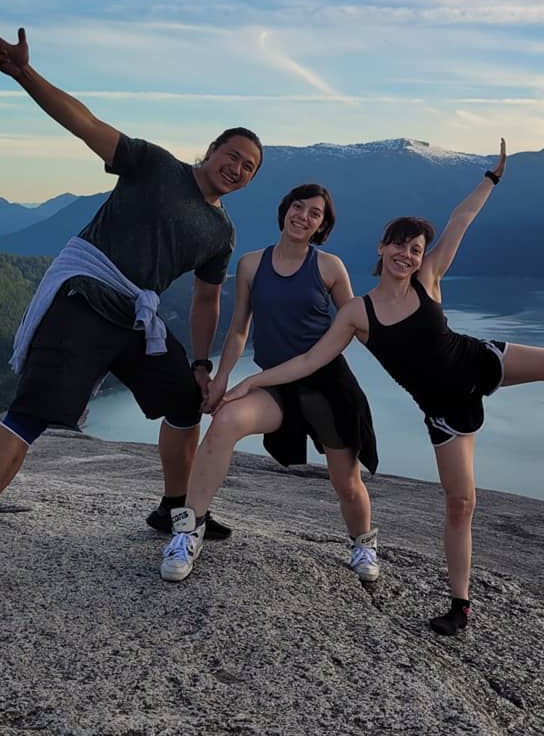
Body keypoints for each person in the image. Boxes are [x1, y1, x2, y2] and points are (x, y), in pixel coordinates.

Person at [165, 140, 544, 634]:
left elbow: (460, 221)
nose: (409, 254)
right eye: (400, 245)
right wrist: (247, 380)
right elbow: (310, 354)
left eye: (416, 248)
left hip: (480, 362)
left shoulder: (428, 278)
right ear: (382, 249)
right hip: (443, 410)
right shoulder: (356, 312)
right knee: (461, 503)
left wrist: (489, 179)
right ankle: (459, 606)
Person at [0, 22, 261, 599]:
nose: (237, 168)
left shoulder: (220, 230)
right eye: (232, 155)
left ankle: (174, 508)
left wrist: (201, 363)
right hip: (86, 297)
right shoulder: (154, 165)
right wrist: (25, 73)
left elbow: (208, 297)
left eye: (249, 167)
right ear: (211, 150)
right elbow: (85, 125)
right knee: (28, 416)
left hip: (137, 318)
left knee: (184, 400)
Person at [160, 183, 381, 585]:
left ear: (321, 226)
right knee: (224, 421)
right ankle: (188, 531)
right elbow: (239, 328)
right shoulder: (250, 264)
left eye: (315, 214)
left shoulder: (330, 267)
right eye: (299, 207)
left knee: (346, 480)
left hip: (329, 387)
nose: (304, 216)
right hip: (277, 386)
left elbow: (354, 324)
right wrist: (223, 375)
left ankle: (363, 542)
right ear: (285, 211)